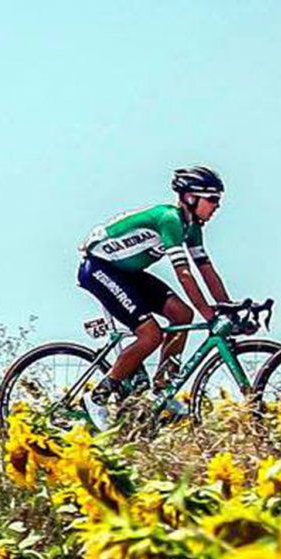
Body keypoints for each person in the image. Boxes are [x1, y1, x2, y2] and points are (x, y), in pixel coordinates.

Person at [77, 165, 230, 430]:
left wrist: (227, 307)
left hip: (128, 272)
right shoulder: (170, 219)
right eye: (212, 199)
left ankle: (162, 389)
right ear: (191, 198)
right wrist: (209, 312)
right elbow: (184, 274)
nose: (217, 206)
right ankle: (97, 397)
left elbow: (205, 269)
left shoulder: (192, 227)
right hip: (100, 269)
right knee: (150, 335)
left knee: (183, 315)